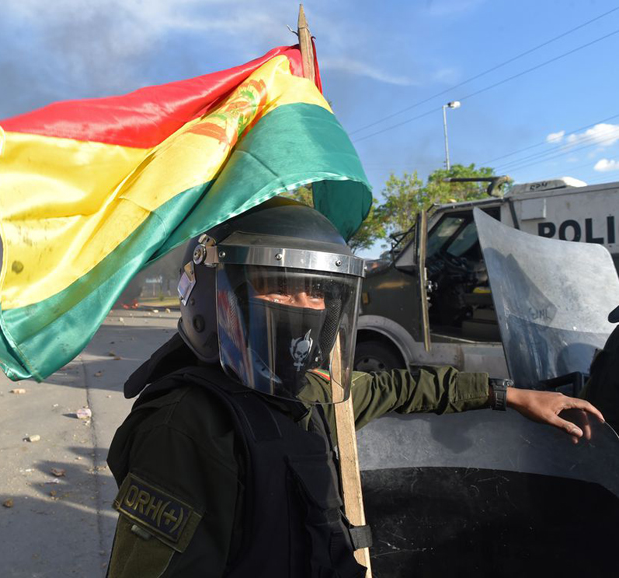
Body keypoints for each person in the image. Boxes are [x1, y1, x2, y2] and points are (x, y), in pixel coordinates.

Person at [105, 198, 604, 578]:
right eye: (280, 286)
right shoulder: (185, 426)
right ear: (215, 296)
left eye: (317, 291)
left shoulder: (312, 393)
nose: (306, 307)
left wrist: (508, 395)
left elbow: (401, 387)